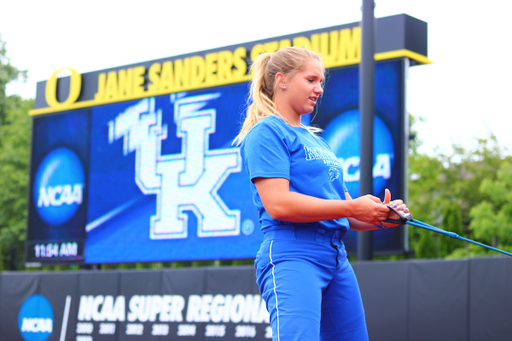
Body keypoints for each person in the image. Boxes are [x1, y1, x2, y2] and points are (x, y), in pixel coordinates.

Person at [234, 46, 409, 341]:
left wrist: (380, 217)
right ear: (282, 80)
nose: (319, 89)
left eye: (321, 83)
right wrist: (352, 210)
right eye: (311, 80)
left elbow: (344, 209)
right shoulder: (267, 132)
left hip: (335, 257)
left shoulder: (318, 140)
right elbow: (278, 204)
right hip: (292, 254)